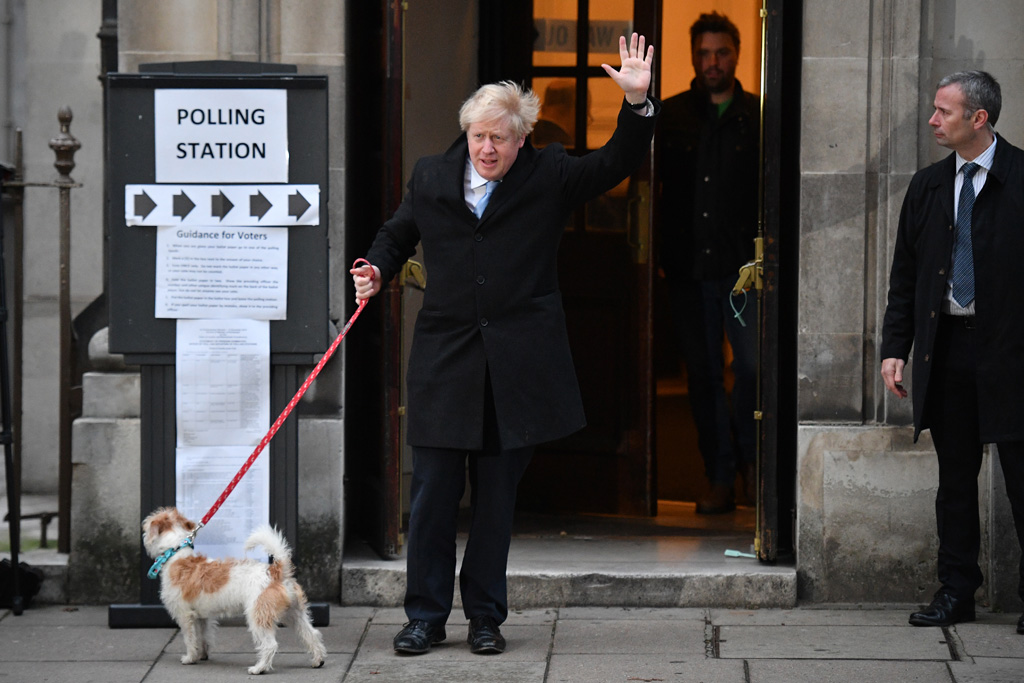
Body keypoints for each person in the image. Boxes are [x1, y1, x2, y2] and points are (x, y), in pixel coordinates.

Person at [351, 33, 658, 655]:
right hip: (445, 362)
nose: (487, 149)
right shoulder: (433, 176)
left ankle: (486, 617)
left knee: (495, 501)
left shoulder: (549, 174)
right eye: (479, 137)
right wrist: (377, 270)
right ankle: (425, 617)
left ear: (522, 138)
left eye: (500, 138)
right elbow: (396, 232)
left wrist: (638, 104)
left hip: (515, 367)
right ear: (466, 135)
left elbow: (616, 162)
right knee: (434, 497)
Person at [881, 70, 1024, 633]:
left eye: (945, 111)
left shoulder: (1020, 177)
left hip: (1012, 354)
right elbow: (906, 277)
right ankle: (956, 591)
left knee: (1022, 479)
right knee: (955, 482)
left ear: (978, 118)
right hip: (947, 352)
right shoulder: (928, 186)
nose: (934, 120)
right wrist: (897, 349)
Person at [656, 11, 759, 514]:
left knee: (753, 368)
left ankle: (753, 463)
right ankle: (718, 475)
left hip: (744, 271)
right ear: (695, 57)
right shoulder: (672, 114)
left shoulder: (759, 115)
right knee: (702, 376)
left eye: (721, 52)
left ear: (736, 55)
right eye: (704, 53)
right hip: (687, 268)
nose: (712, 62)